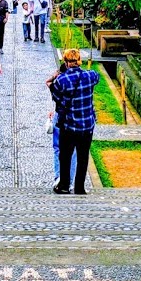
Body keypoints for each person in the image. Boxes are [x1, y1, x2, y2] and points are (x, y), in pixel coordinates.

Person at [47, 48, 99, 194]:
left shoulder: (62, 80)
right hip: (87, 125)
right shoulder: (90, 76)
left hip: (69, 125)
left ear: (65, 62)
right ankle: (80, 187)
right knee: (83, 156)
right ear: (79, 61)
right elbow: (97, 77)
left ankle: (63, 185)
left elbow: (56, 98)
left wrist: (54, 78)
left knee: (65, 155)